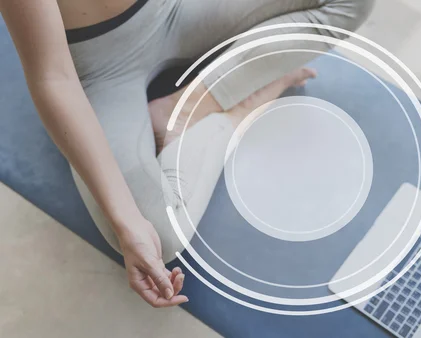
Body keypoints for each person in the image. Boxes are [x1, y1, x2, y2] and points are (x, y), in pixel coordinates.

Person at [0, 0, 373, 308]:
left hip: (173, 11)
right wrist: (128, 222)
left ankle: (192, 104)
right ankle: (237, 110)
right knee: (158, 235)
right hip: (98, 69)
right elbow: (53, 78)